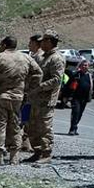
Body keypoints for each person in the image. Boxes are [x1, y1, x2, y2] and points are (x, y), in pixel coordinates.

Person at [0, 37, 42, 165]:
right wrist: (28, 88)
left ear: (4, 45)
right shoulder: (26, 58)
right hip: (18, 97)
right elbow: (38, 73)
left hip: (0, 96)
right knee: (15, 125)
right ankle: (14, 156)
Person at [25, 30, 66, 164]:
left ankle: (46, 153)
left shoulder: (56, 58)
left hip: (46, 100)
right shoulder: (43, 57)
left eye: (43, 41)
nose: (40, 43)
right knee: (32, 127)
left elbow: (56, 80)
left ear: (49, 41)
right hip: (35, 99)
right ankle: (37, 152)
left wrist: (40, 87)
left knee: (44, 127)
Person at [21, 34, 44, 152]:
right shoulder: (35, 56)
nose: (29, 45)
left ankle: (29, 143)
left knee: (29, 118)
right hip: (30, 92)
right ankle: (25, 142)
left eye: (30, 43)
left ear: (36, 43)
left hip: (32, 92)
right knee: (26, 117)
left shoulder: (38, 57)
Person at [67, 60, 94, 136]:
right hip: (76, 98)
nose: (84, 66)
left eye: (86, 65)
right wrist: (66, 96)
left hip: (85, 99)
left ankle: (75, 128)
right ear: (80, 66)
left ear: (88, 66)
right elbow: (68, 85)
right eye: (83, 65)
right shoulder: (76, 75)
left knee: (79, 114)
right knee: (75, 113)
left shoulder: (90, 76)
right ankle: (72, 129)